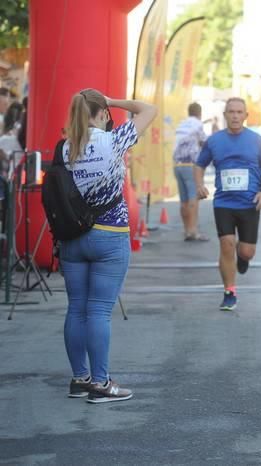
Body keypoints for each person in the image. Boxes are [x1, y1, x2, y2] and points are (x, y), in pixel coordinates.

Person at [60, 88, 157, 403]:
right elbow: (148, 109)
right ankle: (101, 385)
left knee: (76, 308)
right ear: (101, 114)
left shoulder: (64, 148)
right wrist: (112, 101)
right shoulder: (113, 140)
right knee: (99, 310)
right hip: (109, 234)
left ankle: (80, 378)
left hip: (72, 237)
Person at [194, 97, 261, 311]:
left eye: (239, 112)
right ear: (225, 115)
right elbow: (199, 165)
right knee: (226, 244)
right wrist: (199, 185)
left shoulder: (256, 140)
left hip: (249, 203)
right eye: (231, 112)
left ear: (246, 116)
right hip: (224, 203)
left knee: (246, 252)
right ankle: (229, 292)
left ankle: (243, 256)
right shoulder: (214, 140)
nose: (235, 115)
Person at [173, 102, 208, 241]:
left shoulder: (182, 124)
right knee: (194, 199)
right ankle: (193, 231)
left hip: (177, 165)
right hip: (191, 165)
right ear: (200, 113)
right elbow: (205, 142)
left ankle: (187, 229)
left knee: (184, 200)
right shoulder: (198, 124)